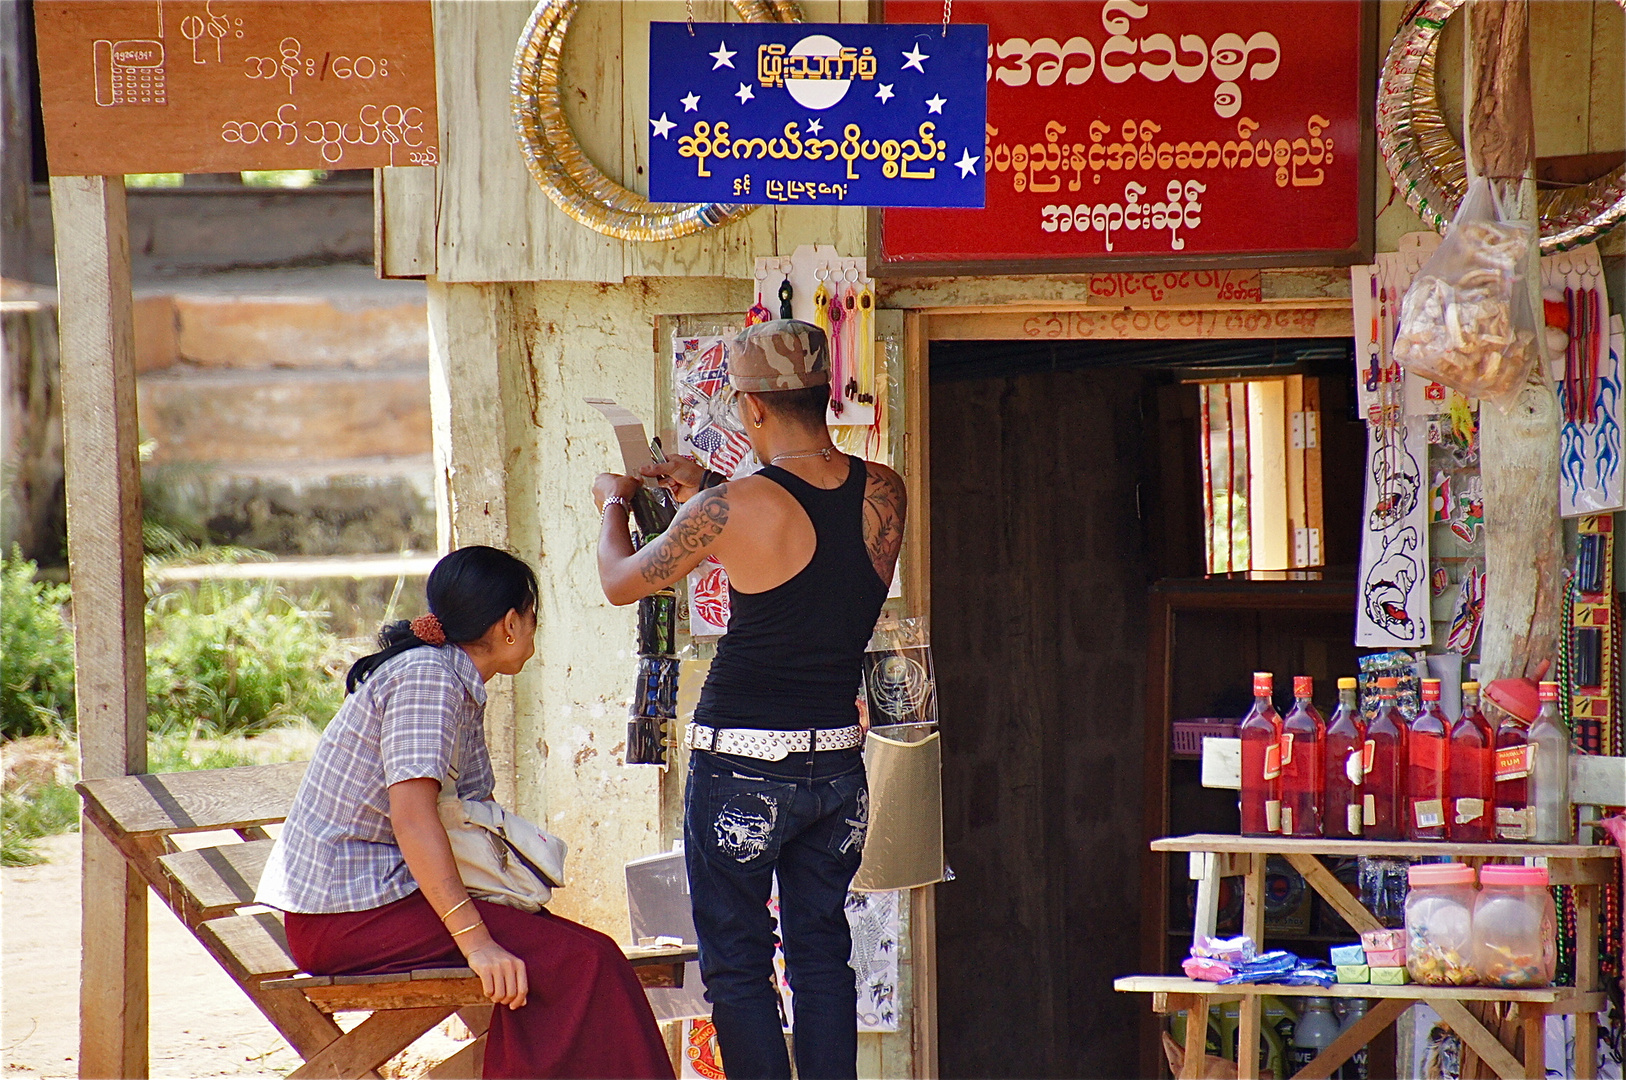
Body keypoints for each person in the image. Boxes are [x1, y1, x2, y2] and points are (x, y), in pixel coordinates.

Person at [593, 319, 907, 1080]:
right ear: (822, 393)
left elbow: (618, 580)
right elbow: (812, 561)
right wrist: (705, 494)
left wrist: (613, 502)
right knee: (822, 955)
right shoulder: (884, 490)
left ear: (753, 409)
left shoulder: (729, 509)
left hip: (741, 763)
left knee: (737, 964)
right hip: (836, 765)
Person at [256, 545, 674, 1080]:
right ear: (508, 625)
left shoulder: (449, 676)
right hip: (351, 914)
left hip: (389, 900)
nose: (532, 631)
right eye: (531, 617)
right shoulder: (428, 678)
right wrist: (478, 944)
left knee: (589, 953)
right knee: (579, 965)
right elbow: (412, 818)